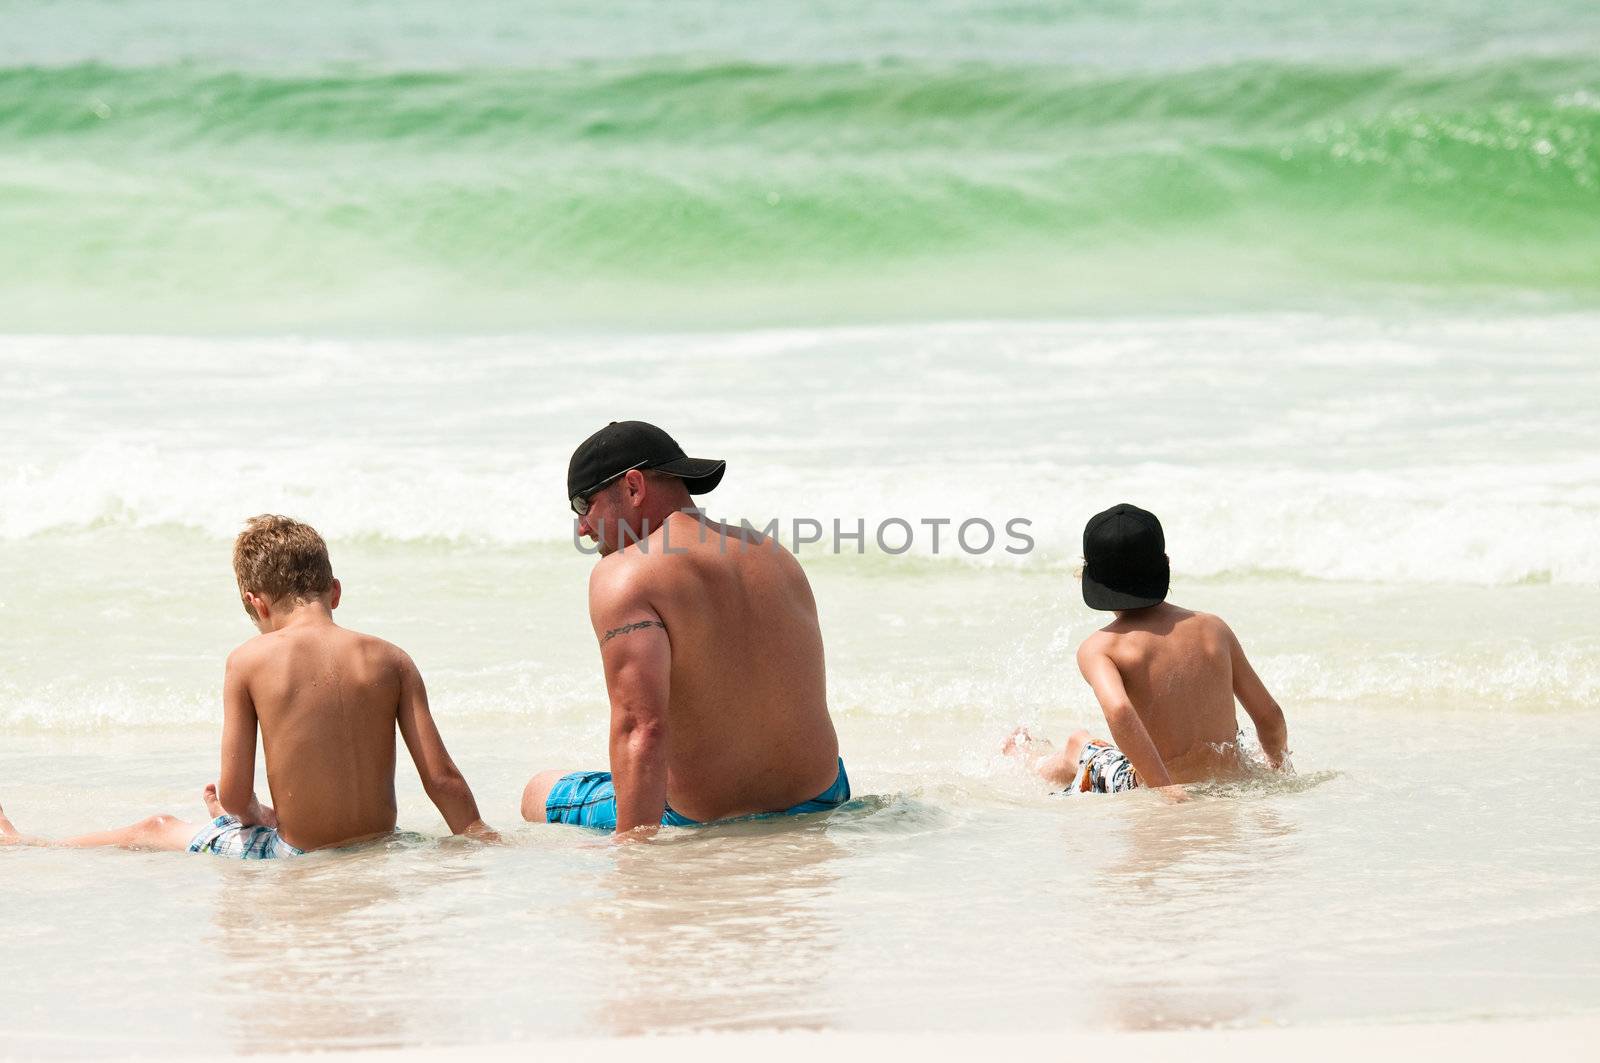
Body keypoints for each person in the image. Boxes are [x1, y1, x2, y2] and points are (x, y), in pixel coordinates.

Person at [0, 515, 493, 857]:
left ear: (256, 603)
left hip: (296, 853)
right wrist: (478, 835)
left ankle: (27, 845)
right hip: (381, 842)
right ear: (335, 590)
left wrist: (256, 814)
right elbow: (442, 779)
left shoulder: (248, 661)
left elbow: (236, 795)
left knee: (156, 828)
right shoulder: (392, 658)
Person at [521, 420, 849, 835]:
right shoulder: (773, 554)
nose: (582, 528)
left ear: (634, 487)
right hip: (822, 795)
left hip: (701, 815)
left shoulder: (624, 575)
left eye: (583, 506)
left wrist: (635, 860)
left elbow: (642, 728)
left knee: (537, 791)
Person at [1005, 503, 1289, 794]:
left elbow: (1118, 710)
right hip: (1230, 776)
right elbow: (1270, 715)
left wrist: (1165, 788)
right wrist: (1278, 771)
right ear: (1164, 564)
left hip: (1153, 784)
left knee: (1080, 743)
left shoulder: (1100, 648)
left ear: (1089, 577)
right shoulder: (1213, 628)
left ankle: (1028, 757)